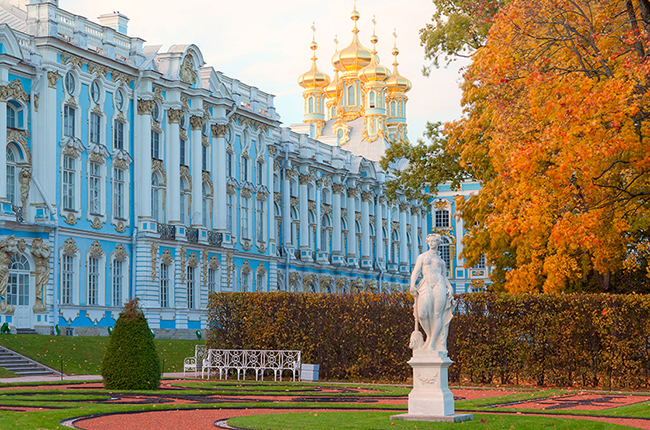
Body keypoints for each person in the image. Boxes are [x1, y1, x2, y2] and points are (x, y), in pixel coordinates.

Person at [410, 233, 455, 352]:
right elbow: (415, 271)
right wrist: (412, 285)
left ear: (438, 242)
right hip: (425, 284)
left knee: (437, 315)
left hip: (439, 284)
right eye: (429, 241)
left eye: (434, 241)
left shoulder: (441, 261)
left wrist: (450, 287)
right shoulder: (422, 257)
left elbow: (444, 277)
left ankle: (432, 344)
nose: (431, 243)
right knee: (422, 314)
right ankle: (429, 336)